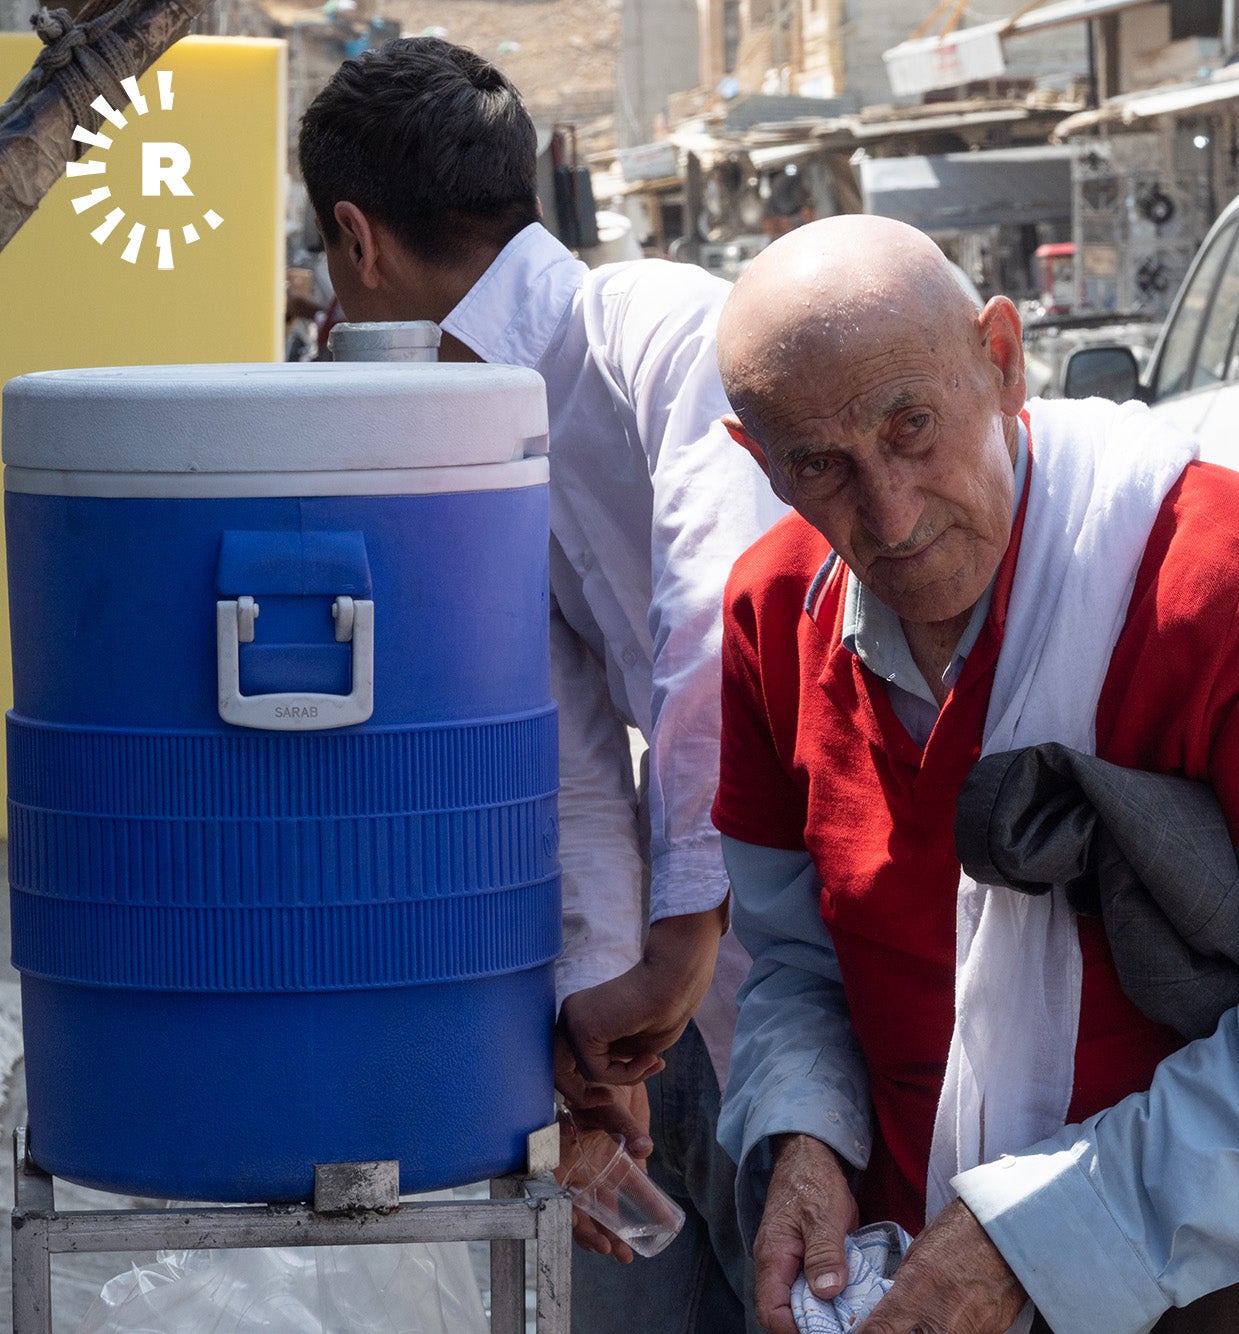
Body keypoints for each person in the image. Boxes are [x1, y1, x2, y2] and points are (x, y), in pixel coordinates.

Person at [711, 215, 1239, 1334]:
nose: (891, 512)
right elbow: (794, 959)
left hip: (1208, 1280)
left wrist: (1037, 1238)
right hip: (906, 1274)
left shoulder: (1233, 576)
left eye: (911, 427)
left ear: (1002, 360)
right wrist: (805, 1133)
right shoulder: (773, 611)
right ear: (762, 464)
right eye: (822, 466)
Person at [298, 38, 782, 1333]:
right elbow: (567, 754)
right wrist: (605, 1015)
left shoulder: (658, 329)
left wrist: (675, 943)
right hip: (716, 985)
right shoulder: (486, 427)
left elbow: (716, 627)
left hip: (836, 931)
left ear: (357, 241)